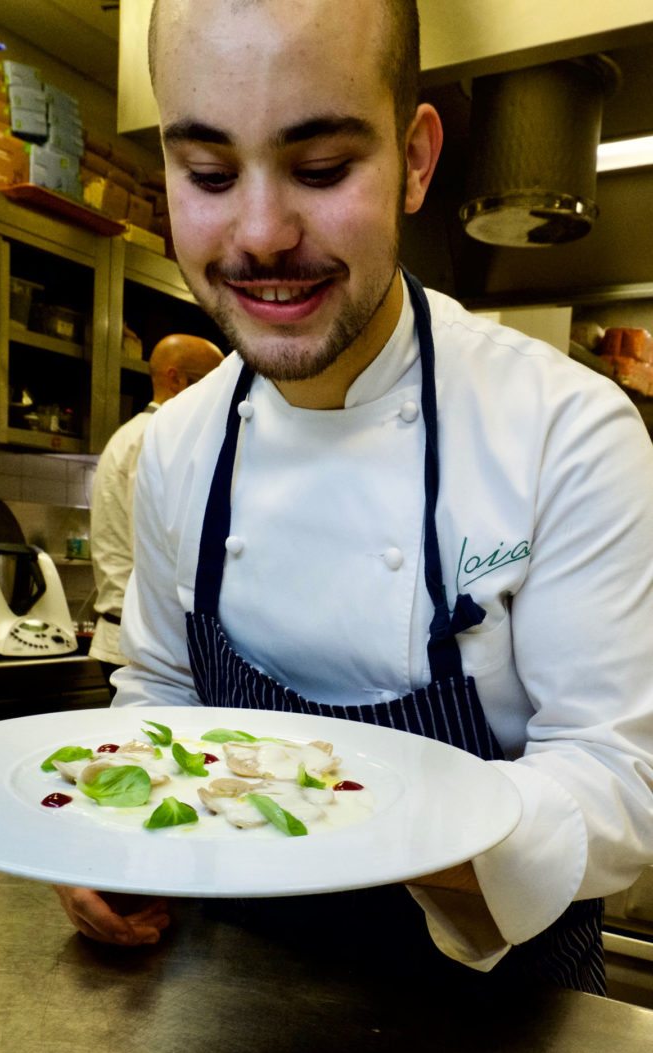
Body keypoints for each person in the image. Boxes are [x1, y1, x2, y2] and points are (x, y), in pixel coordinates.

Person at [55, 0, 653, 993]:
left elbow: (620, 791)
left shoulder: (566, 431)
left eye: (323, 168)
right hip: (230, 999)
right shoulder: (176, 447)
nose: (260, 235)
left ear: (418, 160)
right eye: (207, 174)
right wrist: (112, 829)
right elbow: (157, 696)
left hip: (507, 1024)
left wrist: (337, 813)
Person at [88, 332, 223, 687]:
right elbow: (157, 547)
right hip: (142, 647)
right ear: (174, 378)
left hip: (134, 638)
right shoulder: (157, 437)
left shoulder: (136, 432)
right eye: (210, 381)